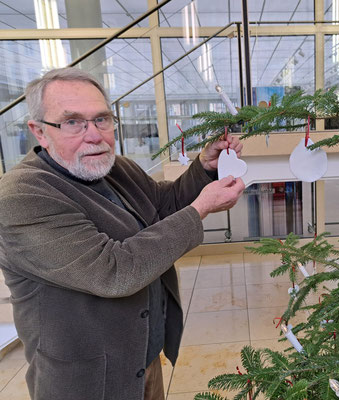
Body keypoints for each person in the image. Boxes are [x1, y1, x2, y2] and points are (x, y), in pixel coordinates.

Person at [0, 67, 245, 400]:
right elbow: (113, 271)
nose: (94, 136)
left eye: (102, 119)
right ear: (40, 131)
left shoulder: (115, 167)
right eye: (72, 122)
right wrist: (200, 209)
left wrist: (204, 167)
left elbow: (163, 204)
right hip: (87, 381)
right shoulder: (22, 196)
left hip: (141, 360)